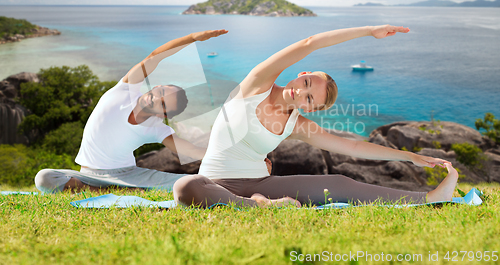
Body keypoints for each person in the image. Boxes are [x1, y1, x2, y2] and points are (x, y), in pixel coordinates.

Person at [173, 25, 459, 208]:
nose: (301, 93)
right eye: (306, 83)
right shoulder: (255, 85)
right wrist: (369, 31)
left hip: (261, 183)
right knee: (185, 186)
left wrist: (409, 157)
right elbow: (309, 43)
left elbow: (355, 147)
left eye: (309, 98)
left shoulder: (298, 124)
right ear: (302, 73)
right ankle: (259, 206)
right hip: (213, 182)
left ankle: (431, 198)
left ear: (310, 109)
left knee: (341, 184)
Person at [34, 30, 228, 193]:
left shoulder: (156, 128)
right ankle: (113, 189)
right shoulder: (124, 90)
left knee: (189, 182)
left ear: (163, 115)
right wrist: (192, 38)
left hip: (129, 175)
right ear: (156, 86)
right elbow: (155, 57)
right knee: (44, 178)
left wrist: (233, 155)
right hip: (87, 173)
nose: (154, 98)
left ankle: (120, 188)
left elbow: (190, 150)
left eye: (163, 104)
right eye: (159, 92)